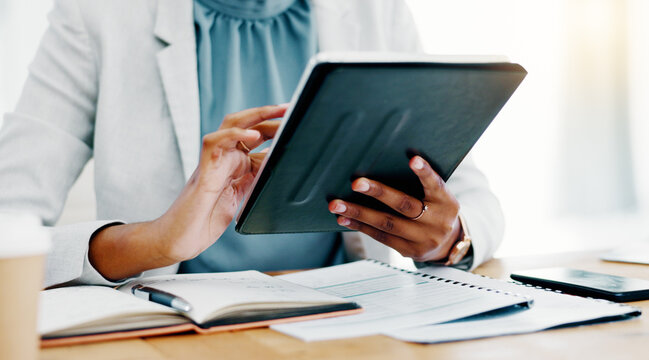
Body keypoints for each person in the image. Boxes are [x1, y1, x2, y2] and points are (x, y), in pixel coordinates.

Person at [0, 0, 504, 288]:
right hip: (171, 331)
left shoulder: (372, 10)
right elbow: (6, 226)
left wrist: (448, 239)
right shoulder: (97, 15)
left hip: (344, 317)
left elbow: (474, 201)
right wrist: (153, 241)